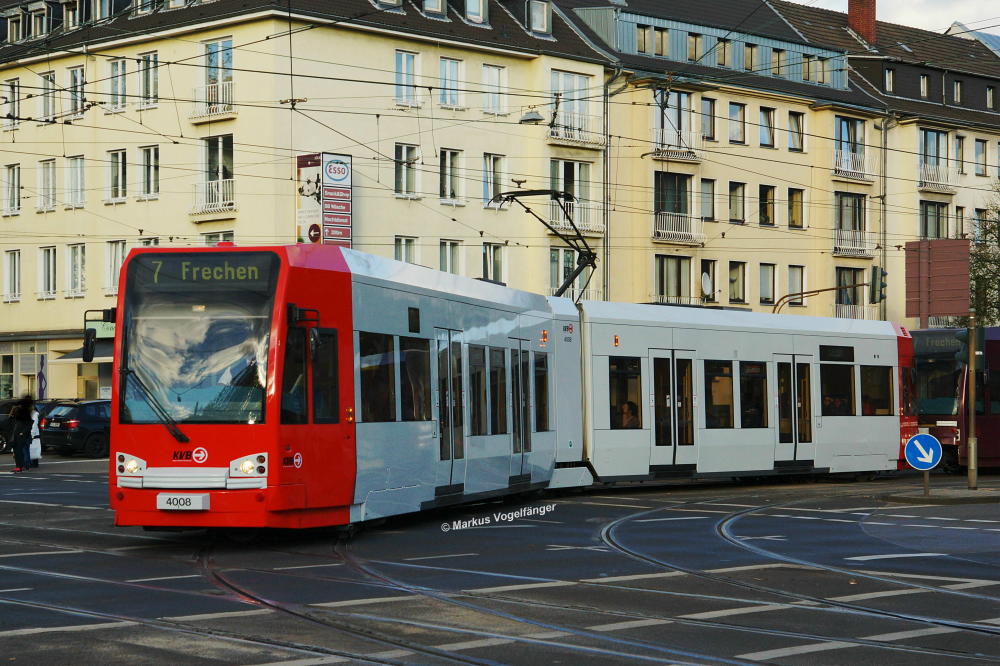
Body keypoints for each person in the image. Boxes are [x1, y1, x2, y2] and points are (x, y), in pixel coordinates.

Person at [8, 395, 33, 473]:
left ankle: (20, 466)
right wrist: (12, 412)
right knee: (16, 452)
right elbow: (10, 420)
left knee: (19, 451)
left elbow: (29, 426)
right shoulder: (16, 417)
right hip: (15, 436)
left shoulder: (26, 417)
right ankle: (18, 466)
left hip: (21, 436)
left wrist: (22, 433)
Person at [28, 404, 40, 469]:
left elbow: (34, 425)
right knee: (32, 448)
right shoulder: (32, 414)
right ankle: (32, 463)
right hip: (32, 433)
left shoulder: (35, 414)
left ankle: (35, 464)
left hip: (34, 434)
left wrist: (32, 434)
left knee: (34, 448)